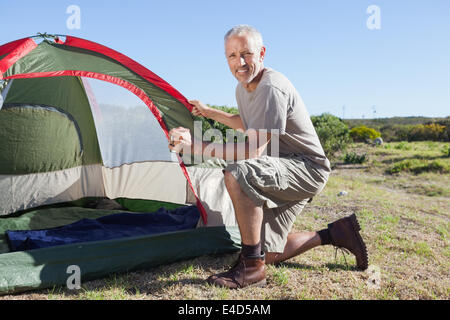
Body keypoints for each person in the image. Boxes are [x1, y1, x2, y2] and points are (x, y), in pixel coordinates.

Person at [168, 25, 368, 289]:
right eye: (231, 55)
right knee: (267, 254)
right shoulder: (243, 89)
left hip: (305, 168)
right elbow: (245, 121)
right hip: (282, 167)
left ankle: (251, 270)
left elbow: (252, 150)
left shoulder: (271, 86)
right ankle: (336, 233)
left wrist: (196, 145)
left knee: (238, 172)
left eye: (246, 54)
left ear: (261, 53)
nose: (239, 62)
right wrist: (208, 112)